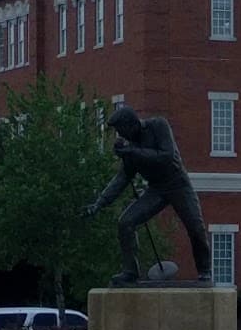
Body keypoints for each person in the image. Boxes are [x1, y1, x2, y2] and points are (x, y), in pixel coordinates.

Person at [85, 105, 213, 284]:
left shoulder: (158, 125)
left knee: (196, 228)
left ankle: (204, 270)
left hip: (179, 185)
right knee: (126, 223)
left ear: (131, 124)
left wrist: (132, 151)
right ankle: (130, 271)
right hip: (156, 190)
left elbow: (167, 155)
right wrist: (99, 203)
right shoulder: (130, 149)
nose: (121, 135)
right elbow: (121, 179)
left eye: (121, 130)